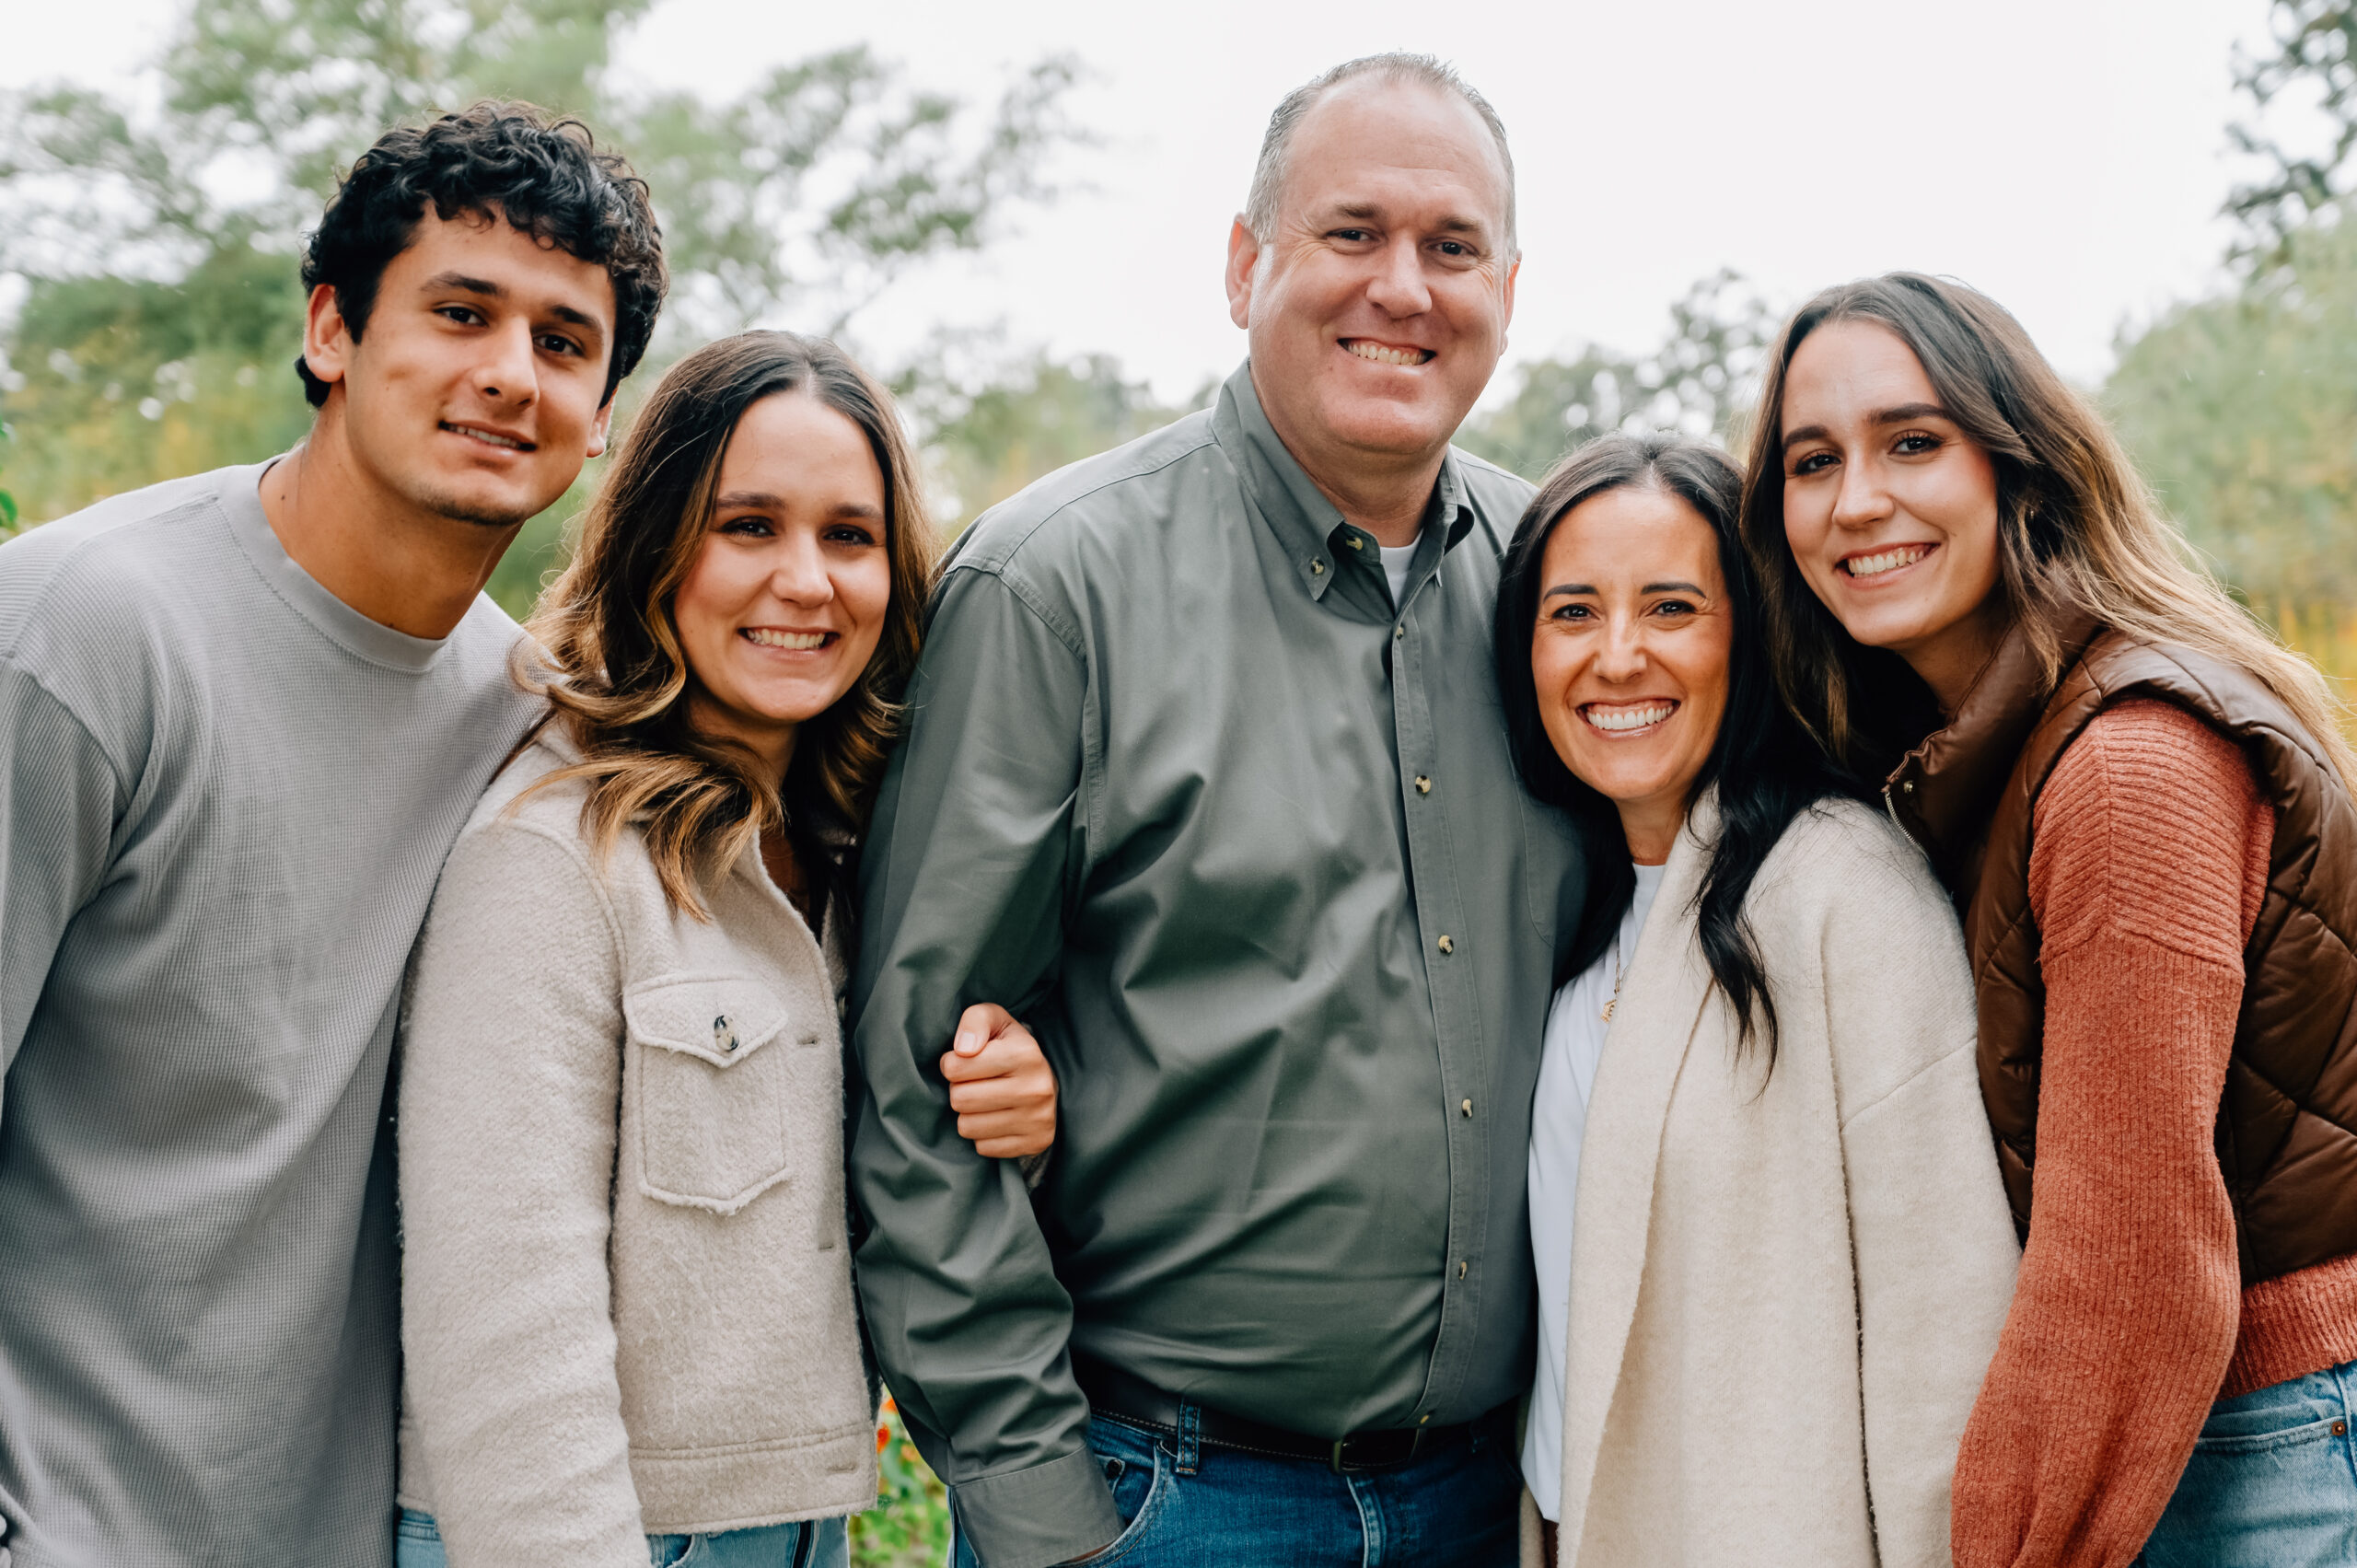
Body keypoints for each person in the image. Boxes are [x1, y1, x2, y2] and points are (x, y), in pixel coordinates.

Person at [848, 52, 1579, 1568]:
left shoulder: (1570, 593)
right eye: (1350, 232)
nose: (1404, 286)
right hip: (1160, 1496)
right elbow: (921, 1076)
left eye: (1452, 248)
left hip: (1500, 1498)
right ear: (1246, 263)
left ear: (1510, 288)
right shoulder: (1053, 586)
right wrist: (1045, 1515)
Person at [0, 103, 664, 1568]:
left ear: (605, 410)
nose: (509, 372)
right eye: (460, 312)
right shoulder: (78, 633)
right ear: (331, 331)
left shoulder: (527, 726)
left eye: (563, 342)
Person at [391, 331, 1062, 1568]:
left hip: (802, 1522)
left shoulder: (863, 860)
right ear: (657, 544)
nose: (807, 580)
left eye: (849, 536)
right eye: (748, 524)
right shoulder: (551, 857)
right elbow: (500, 1325)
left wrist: (1020, 1084)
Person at [1741, 272, 2357, 1568]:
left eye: (1913, 441)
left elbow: (2131, 1274)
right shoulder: (1978, 758)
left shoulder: (2128, 766)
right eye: (1813, 459)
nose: (1858, 499)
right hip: (2206, 1428)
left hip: (2268, 1441)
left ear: (2019, 464)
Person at [1495, 434, 2017, 1567]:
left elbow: (1947, 1329)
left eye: (1672, 608)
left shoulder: (1839, 891)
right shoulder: (1555, 904)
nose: (1618, 656)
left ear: (1750, 631)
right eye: (1573, 612)